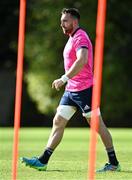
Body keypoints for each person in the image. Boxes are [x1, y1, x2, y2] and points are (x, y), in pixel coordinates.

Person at [21, 8, 121, 172]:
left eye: (65, 21)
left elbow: (82, 60)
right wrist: (68, 82)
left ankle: (114, 163)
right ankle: (43, 160)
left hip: (85, 89)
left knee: (97, 125)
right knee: (58, 121)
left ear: (74, 22)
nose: (62, 24)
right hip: (71, 90)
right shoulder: (71, 37)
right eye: (61, 21)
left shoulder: (81, 37)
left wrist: (64, 78)